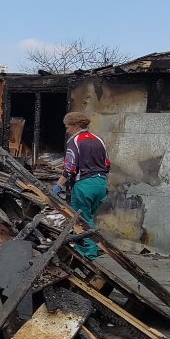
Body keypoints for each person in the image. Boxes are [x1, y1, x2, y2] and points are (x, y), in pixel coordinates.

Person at [52, 111, 110, 258]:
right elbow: (107, 164)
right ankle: (93, 247)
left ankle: (88, 254)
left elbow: (70, 168)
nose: (67, 130)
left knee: (82, 221)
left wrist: (58, 186)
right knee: (88, 218)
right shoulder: (98, 140)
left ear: (76, 126)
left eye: (68, 127)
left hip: (84, 185)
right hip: (101, 185)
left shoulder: (74, 141)